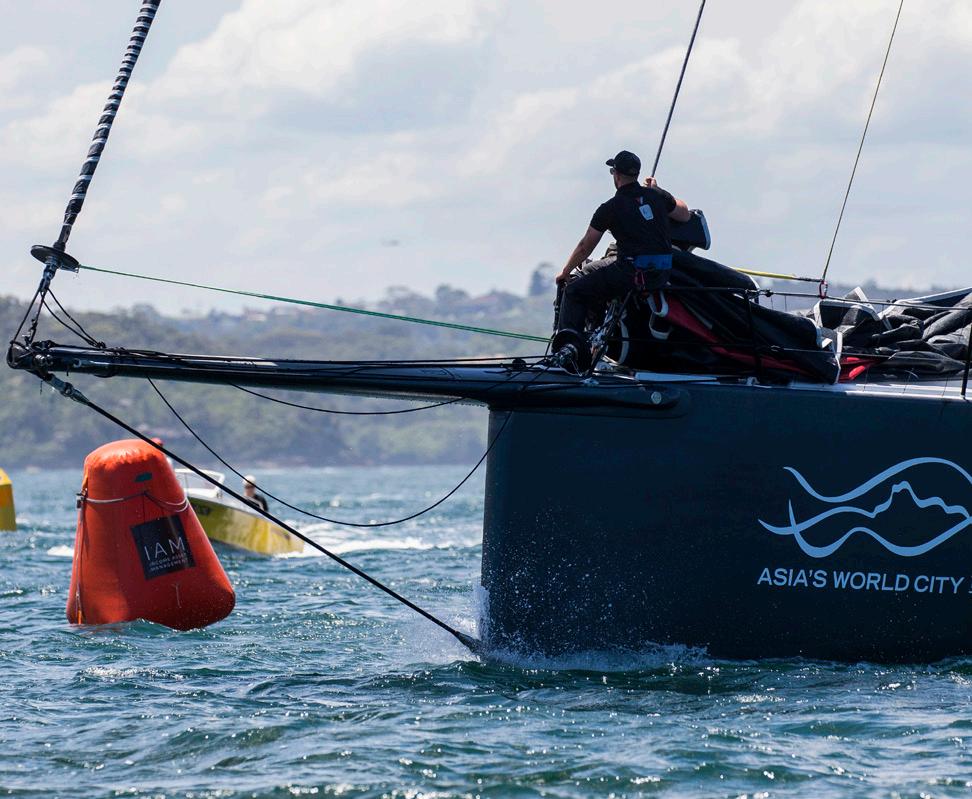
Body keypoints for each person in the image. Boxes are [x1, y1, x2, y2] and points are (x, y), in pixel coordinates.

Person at [551, 150, 692, 372]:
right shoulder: (656, 197)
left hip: (631, 273)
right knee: (594, 273)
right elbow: (685, 214)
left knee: (574, 290)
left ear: (616, 175)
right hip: (661, 273)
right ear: (636, 174)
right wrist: (658, 190)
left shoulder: (610, 207)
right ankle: (595, 347)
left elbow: (586, 245)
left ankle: (568, 356)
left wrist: (565, 271)